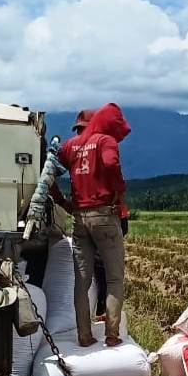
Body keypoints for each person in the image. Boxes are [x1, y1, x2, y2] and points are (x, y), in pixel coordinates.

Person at [56, 103, 131, 347]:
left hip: (79, 218)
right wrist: (119, 189)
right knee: (114, 278)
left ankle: (84, 336)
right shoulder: (105, 141)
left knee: (82, 280)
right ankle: (111, 334)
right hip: (104, 215)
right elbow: (110, 164)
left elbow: (49, 173)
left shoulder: (70, 146)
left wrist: (60, 200)